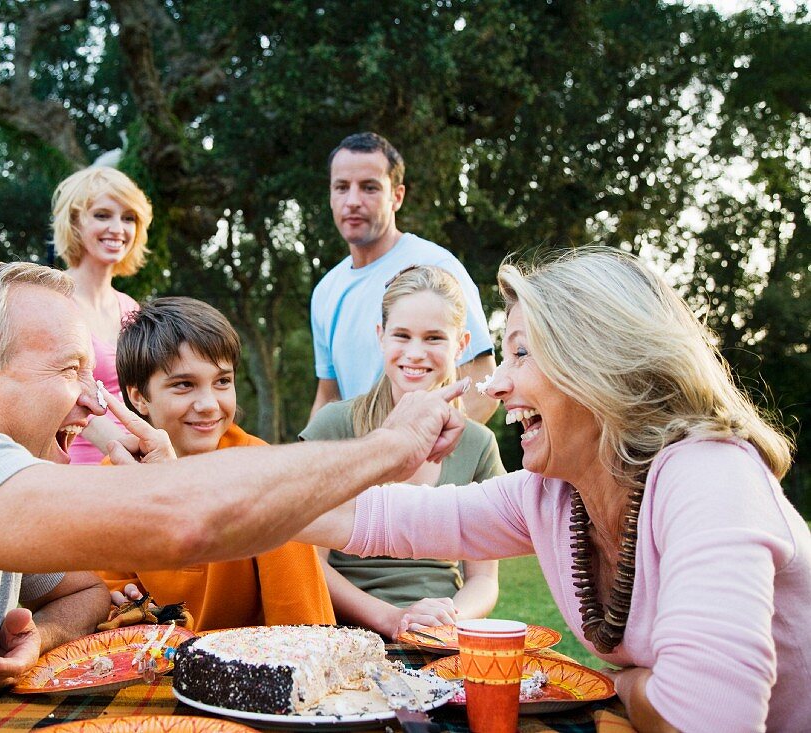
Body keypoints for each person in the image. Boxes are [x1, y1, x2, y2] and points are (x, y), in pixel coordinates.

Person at [0, 261, 468, 732]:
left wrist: (40, 632)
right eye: (73, 372)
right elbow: (182, 520)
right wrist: (388, 449)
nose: (92, 408)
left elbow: (82, 590)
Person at [299, 248, 811, 733]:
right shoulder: (553, 493)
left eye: (522, 353)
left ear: (602, 365)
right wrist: (383, 450)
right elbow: (375, 518)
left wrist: (626, 685)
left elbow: (702, 720)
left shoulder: (710, 474)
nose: (496, 386)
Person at [99, 297, 335, 630]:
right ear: (138, 397)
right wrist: (116, 604)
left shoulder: (267, 474)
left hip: (256, 668)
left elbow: (302, 623)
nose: (209, 404)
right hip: (151, 667)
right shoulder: (112, 479)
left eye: (222, 381)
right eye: (184, 385)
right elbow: (107, 601)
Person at [301, 266, 503, 640]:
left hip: (440, 632)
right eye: (402, 335)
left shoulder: (478, 445)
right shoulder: (334, 426)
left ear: (461, 344)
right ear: (381, 337)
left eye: (434, 338)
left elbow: (484, 578)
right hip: (346, 630)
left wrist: (447, 620)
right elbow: (308, 561)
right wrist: (393, 619)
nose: (415, 353)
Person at [311, 131, 498, 422]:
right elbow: (328, 396)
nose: (353, 201)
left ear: (397, 197)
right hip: (359, 465)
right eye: (342, 187)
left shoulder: (436, 266)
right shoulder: (325, 290)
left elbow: (482, 384)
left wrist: (422, 457)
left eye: (369, 188)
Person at [52, 166, 153, 463]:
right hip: (78, 467)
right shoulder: (52, 301)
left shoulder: (132, 307)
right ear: (75, 223)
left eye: (128, 218)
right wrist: (118, 446)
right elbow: (60, 390)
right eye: (102, 215)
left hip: (134, 463)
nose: (118, 228)